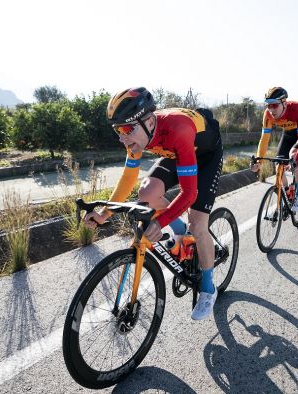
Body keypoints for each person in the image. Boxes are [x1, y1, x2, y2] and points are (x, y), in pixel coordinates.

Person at [84, 87, 223, 320]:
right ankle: (181, 234)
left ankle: (208, 288)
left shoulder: (176, 129)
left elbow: (190, 193)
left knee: (198, 225)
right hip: (178, 153)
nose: (122, 137)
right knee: (147, 192)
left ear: (148, 121)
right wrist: (103, 214)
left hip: (205, 155)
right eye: (118, 130)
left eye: (127, 129)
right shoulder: (137, 137)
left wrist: (161, 222)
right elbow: (128, 180)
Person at [250, 87, 298, 212]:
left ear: (284, 103)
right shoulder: (267, 114)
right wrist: (259, 161)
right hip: (288, 133)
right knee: (278, 166)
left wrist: (296, 161)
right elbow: (264, 139)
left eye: (274, 105)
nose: (271, 109)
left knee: (295, 156)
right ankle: (288, 192)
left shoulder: (297, 109)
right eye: (268, 106)